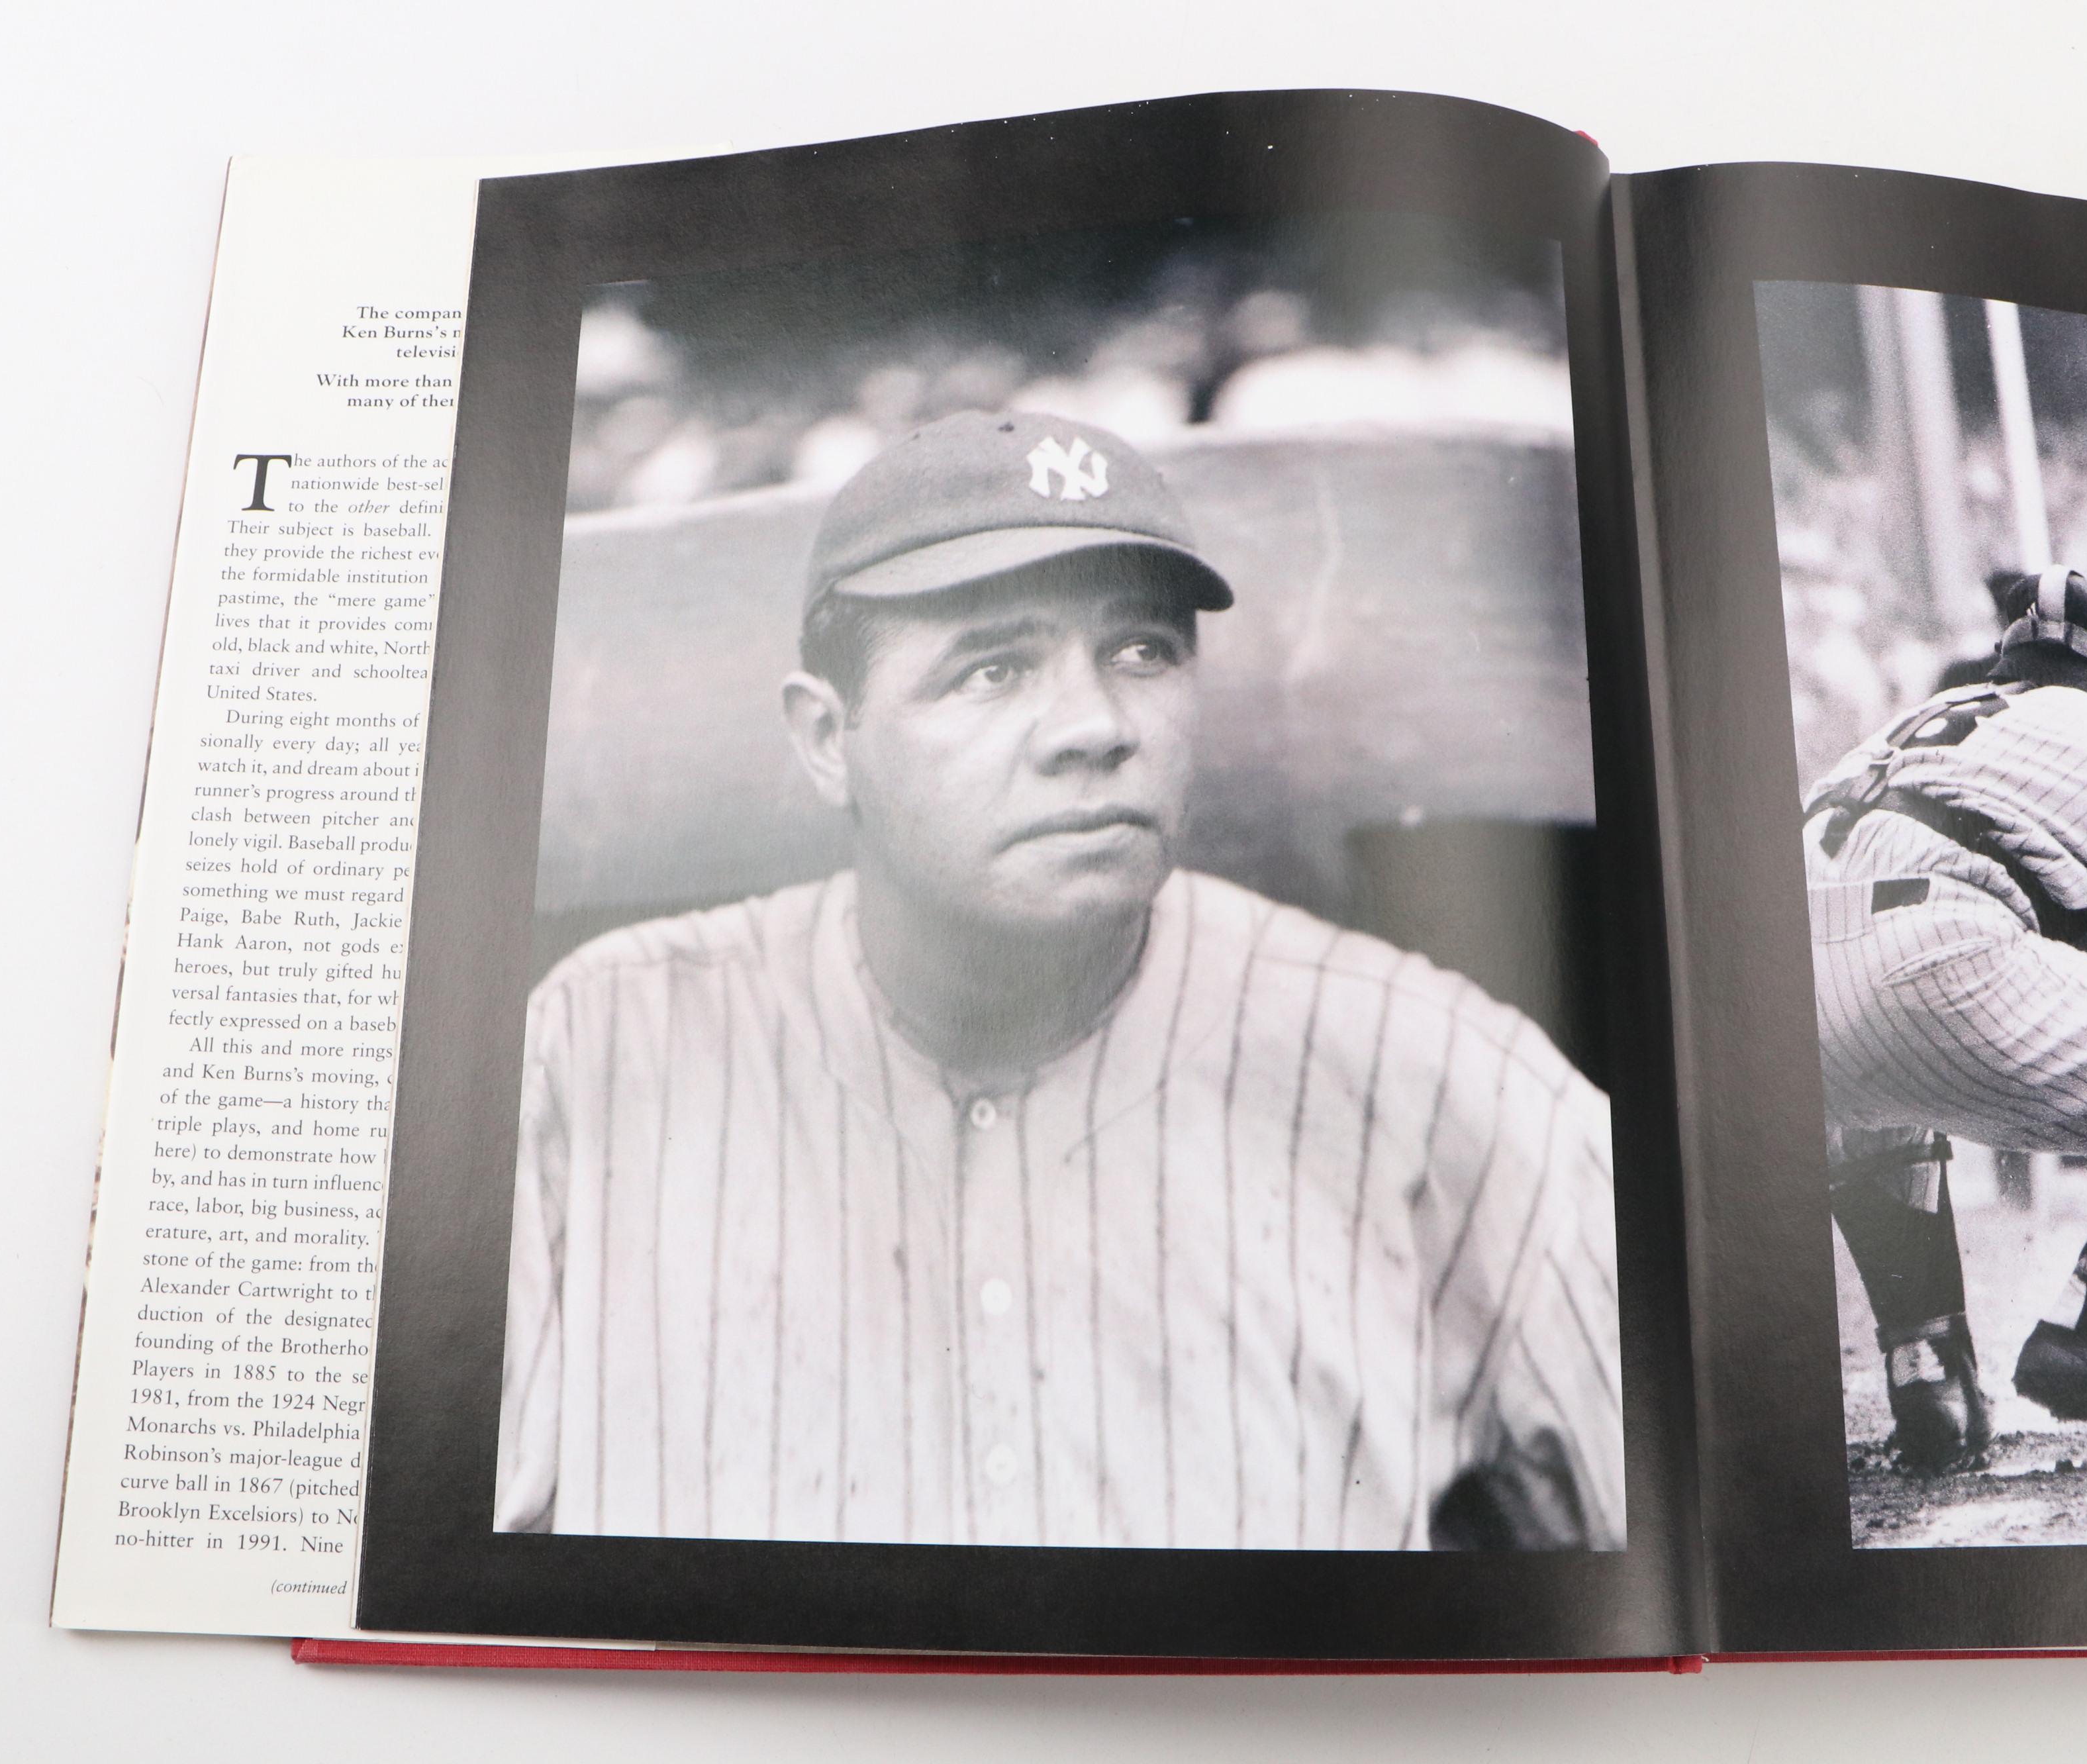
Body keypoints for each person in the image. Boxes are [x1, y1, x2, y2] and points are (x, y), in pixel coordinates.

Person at [493, 411, 1626, 1551]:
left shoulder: (1435, 1075)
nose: (1094, 726)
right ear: (829, 738)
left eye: (1144, 651)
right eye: (992, 666)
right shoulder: (600, 1049)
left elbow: (1698, 1529)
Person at [1805, 566, 2087, 1472]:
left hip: (1776, 997)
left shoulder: (1907, 727)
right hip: (1938, 952)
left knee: (1875, 1088)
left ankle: (1924, 1360)